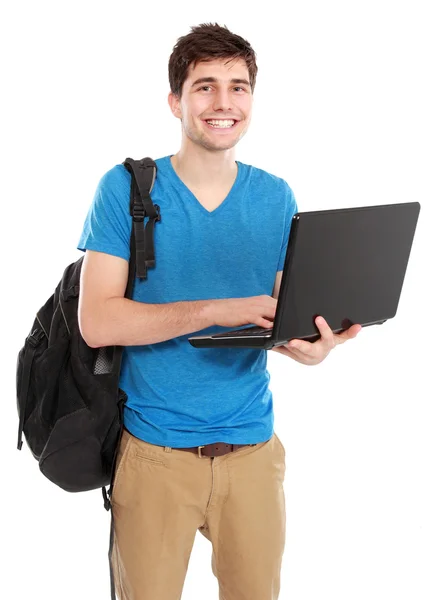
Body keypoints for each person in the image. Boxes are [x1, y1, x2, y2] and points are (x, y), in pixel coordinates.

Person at [77, 22, 361, 600]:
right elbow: (98, 320)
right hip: (155, 455)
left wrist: (313, 345)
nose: (223, 103)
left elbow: (280, 320)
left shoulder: (276, 196)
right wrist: (214, 309)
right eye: (205, 87)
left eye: (239, 86)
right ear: (175, 101)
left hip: (253, 453)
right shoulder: (126, 189)